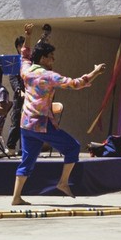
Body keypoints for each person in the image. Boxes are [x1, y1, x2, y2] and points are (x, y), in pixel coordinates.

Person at [11, 23, 107, 205]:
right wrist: (95, 72)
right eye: (51, 57)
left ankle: (16, 197)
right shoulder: (49, 76)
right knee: (73, 147)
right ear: (44, 58)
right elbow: (76, 84)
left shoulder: (26, 71)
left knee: (27, 160)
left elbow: (24, 54)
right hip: (40, 124)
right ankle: (63, 182)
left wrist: (28, 34)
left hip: (26, 124)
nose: (53, 60)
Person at [2, 35, 26, 158]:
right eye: (22, 45)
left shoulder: (31, 60)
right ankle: (11, 147)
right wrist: (19, 90)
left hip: (30, 96)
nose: (24, 48)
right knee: (16, 120)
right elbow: (13, 79)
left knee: (27, 123)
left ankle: (24, 149)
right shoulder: (14, 61)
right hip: (19, 96)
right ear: (17, 47)